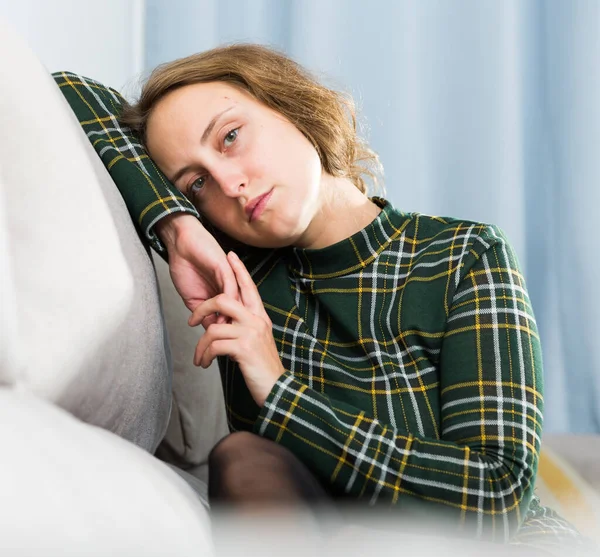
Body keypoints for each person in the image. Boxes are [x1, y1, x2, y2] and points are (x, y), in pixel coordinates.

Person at [54, 44, 593, 556]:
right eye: (197, 185)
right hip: (321, 532)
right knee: (240, 457)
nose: (231, 184)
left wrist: (281, 393)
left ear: (291, 103)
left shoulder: (461, 256)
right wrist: (175, 228)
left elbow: (497, 499)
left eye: (231, 137)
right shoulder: (239, 272)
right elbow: (68, 91)